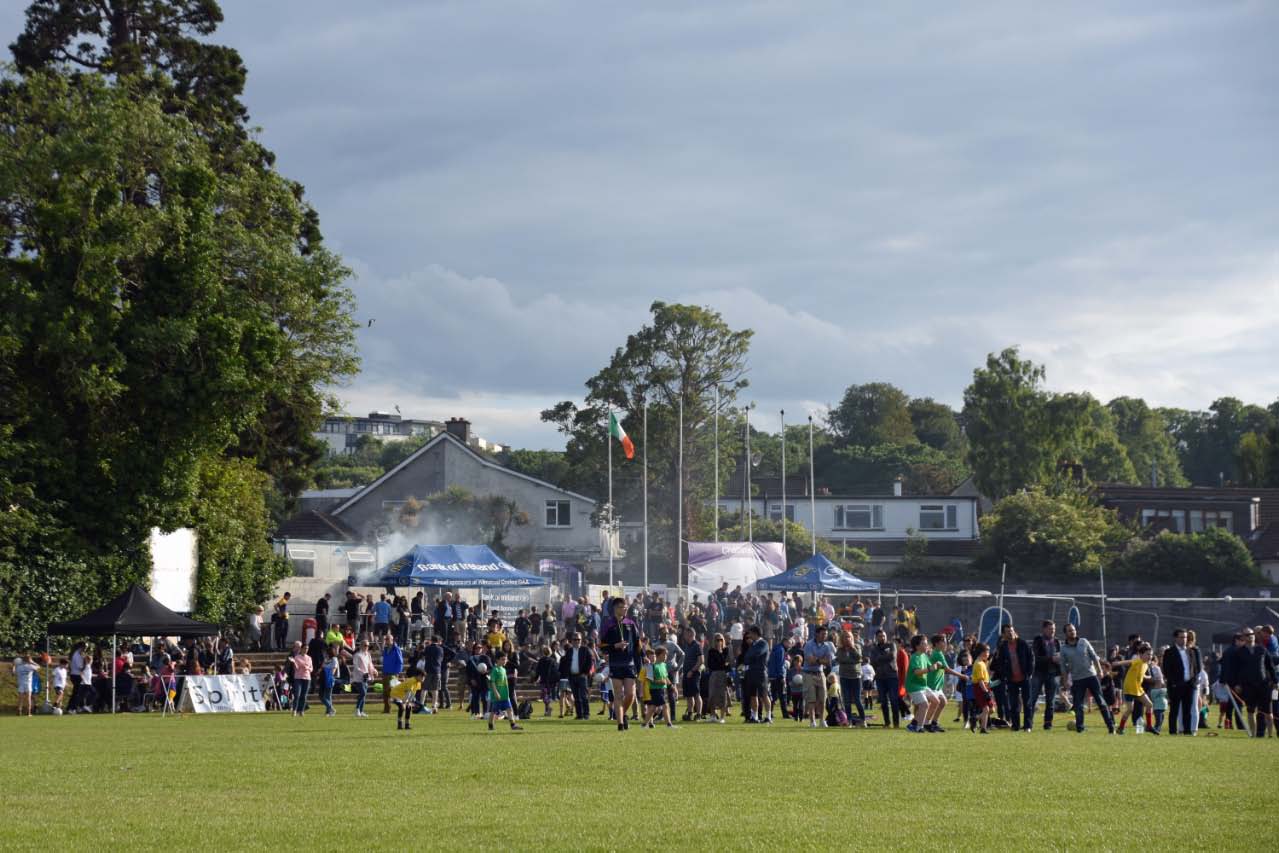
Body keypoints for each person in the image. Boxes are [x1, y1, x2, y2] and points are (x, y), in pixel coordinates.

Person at [1059, 623, 1114, 734]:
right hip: (1077, 680)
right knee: (1078, 705)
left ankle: (1111, 727)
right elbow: (1063, 667)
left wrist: (1099, 671)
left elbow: (1094, 656)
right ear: (1065, 633)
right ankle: (1080, 728)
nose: (1072, 632)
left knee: (1101, 702)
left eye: (1073, 630)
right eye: (1069, 631)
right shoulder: (1063, 649)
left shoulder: (1084, 641)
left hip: (1091, 677)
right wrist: (1065, 681)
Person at [601, 597, 641, 732]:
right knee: (618, 695)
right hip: (616, 664)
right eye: (621, 607)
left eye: (625, 607)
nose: (624, 609)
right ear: (615, 608)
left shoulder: (631, 623)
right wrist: (615, 646)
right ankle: (619, 723)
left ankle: (622, 714)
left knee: (630, 694)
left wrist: (642, 659)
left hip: (629, 664)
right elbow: (602, 645)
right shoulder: (608, 624)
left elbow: (637, 644)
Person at [1232, 626, 1278, 737]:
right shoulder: (1239, 652)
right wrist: (1237, 684)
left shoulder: (1261, 649)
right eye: (1247, 635)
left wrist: (1275, 681)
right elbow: (1236, 670)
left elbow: (1270, 666)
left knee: (1268, 712)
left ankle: (1270, 735)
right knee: (1250, 711)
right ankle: (1253, 734)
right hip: (1248, 685)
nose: (1251, 636)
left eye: (1252, 634)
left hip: (1263, 684)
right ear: (1243, 637)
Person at [1161, 627, 1202, 736]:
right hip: (1176, 685)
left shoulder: (1191, 651)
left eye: (1185, 637)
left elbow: (1197, 667)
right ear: (1175, 638)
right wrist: (1174, 682)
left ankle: (1187, 731)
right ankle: (1173, 731)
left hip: (1189, 684)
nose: (1184, 639)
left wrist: (1193, 680)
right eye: (1181, 637)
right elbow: (1166, 669)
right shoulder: (1169, 652)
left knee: (1187, 710)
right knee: (1174, 710)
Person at [1109, 642, 1156, 735]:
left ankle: (1149, 726)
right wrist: (1117, 663)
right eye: (1147, 654)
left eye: (1151, 654)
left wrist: (1147, 677)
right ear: (1141, 654)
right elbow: (1128, 662)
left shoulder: (1146, 665)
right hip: (1130, 688)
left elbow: (1141, 675)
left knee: (1149, 705)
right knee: (1130, 709)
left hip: (1138, 688)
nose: (1150, 656)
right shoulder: (1137, 661)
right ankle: (1121, 728)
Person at [993, 624, 1034, 732]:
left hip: (1024, 678)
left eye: (1011, 630)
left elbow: (1031, 658)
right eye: (1007, 632)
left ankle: (1027, 726)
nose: (1010, 633)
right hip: (1011, 680)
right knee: (1014, 704)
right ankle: (1015, 726)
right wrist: (1005, 675)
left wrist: (1029, 673)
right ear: (1004, 634)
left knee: (1027, 703)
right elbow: (1000, 663)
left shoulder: (1023, 643)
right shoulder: (1003, 647)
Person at [1029, 620, 1062, 731]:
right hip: (1039, 673)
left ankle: (1048, 724)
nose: (1052, 631)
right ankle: (1029, 724)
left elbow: (1060, 656)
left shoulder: (1057, 641)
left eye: (1054, 629)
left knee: (1050, 701)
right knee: (1032, 699)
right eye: (1050, 629)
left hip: (1052, 674)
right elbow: (1037, 657)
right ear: (1044, 629)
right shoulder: (1038, 640)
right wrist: (1051, 658)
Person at [802, 624, 836, 728]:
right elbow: (810, 660)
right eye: (822, 634)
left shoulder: (827, 646)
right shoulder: (808, 644)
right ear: (817, 634)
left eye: (825, 634)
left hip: (820, 673)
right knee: (811, 699)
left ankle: (822, 720)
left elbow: (828, 662)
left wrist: (817, 660)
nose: (824, 636)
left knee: (822, 698)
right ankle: (812, 721)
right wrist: (820, 660)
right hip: (809, 673)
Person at [868, 629, 901, 729]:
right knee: (883, 702)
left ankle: (896, 724)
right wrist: (883, 657)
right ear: (876, 637)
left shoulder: (892, 645)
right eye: (880, 636)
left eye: (884, 636)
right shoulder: (873, 649)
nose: (882, 637)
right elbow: (873, 662)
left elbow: (892, 656)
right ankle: (887, 723)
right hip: (880, 677)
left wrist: (879, 658)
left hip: (892, 676)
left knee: (894, 700)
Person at [559, 632, 594, 720]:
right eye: (575, 640)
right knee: (576, 697)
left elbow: (590, 661)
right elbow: (566, 662)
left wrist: (585, 672)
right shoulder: (569, 651)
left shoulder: (585, 650)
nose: (577, 641)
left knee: (584, 696)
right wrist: (568, 674)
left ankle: (586, 714)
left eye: (579, 639)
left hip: (582, 676)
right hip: (572, 676)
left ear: (581, 640)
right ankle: (579, 715)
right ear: (572, 641)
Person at [740, 625, 770, 724]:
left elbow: (756, 654)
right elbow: (746, 657)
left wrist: (750, 656)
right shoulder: (752, 645)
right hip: (751, 672)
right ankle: (755, 716)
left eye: (751, 633)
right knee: (753, 695)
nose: (749, 635)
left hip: (760, 672)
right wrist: (749, 656)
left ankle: (768, 716)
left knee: (764, 695)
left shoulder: (763, 643)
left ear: (755, 633)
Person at [487, 650, 523, 731]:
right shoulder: (495, 670)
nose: (505, 661)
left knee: (509, 709)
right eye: (503, 659)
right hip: (497, 695)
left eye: (505, 659)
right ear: (497, 660)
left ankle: (513, 725)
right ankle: (490, 725)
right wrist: (496, 692)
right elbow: (492, 682)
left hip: (505, 695)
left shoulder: (503, 669)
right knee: (494, 711)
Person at [836, 630, 866, 726]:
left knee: (857, 700)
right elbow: (840, 660)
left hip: (856, 676)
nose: (847, 639)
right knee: (847, 700)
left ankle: (863, 720)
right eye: (845, 637)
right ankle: (849, 721)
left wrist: (852, 649)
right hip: (844, 676)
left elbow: (859, 658)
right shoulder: (840, 650)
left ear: (852, 638)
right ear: (842, 639)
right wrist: (851, 661)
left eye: (849, 637)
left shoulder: (857, 647)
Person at [705, 633, 731, 724]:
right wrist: (721, 662)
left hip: (723, 675)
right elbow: (710, 664)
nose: (719, 642)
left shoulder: (726, 650)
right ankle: (712, 716)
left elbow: (727, 663)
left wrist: (720, 652)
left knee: (723, 696)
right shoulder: (711, 651)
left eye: (721, 640)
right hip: (714, 674)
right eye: (717, 640)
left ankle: (722, 717)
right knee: (712, 695)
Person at [970, 643, 995, 734]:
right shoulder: (979, 664)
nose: (988, 654)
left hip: (985, 687)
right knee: (986, 709)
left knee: (992, 709)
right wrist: (985, 692)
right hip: (980, 688)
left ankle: (975, 718)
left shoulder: (983, 662)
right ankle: (983, 729)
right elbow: (980, 680)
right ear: (982, 652)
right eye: (987, 651)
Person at [350, 639, 377, 718]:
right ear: (361, 646)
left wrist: (374, 671)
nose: (367, 647)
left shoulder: (368, 654)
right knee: (363, 693)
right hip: (358, 677)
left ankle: (361, 711)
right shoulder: (357, 655)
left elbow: (370, 665)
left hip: (366, 677)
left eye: (368, 646)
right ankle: (357, 709)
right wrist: (363, 673)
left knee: (364, 694)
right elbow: (356, 666)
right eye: (365, 645)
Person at [380, 635, 403, 715]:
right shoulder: (385, 649)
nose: (386, 640)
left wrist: (397, 672)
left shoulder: (396, 649)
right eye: (386, 639)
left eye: (388, 639)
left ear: (392, 640)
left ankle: (401, 705)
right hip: (385, 673)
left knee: (391, 691)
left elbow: (400, 662)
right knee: (385, 692)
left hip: (393, 674)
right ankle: (387, 709)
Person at [289, 642, 313, 717]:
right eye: (305, 648)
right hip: (298, 678)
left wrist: (308, 668)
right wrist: (294, 662)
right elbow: (296, 668)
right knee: (297, 695)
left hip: (307, 678)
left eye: (307, 649)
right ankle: (294, 710)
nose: (306, 650)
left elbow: (311, 668)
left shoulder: (309, 658)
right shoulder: (297, 657)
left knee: (304, 695)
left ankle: (301, 710)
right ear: (301, 649)